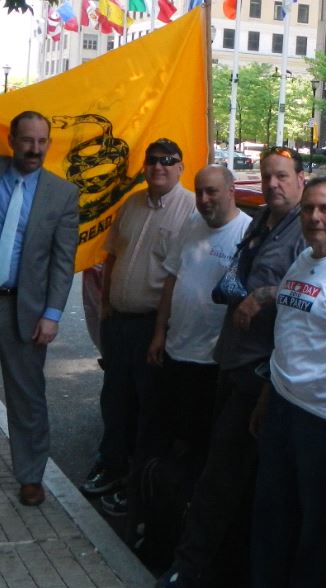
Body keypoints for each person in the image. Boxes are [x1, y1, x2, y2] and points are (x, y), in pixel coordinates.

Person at [155, 146, 306, 588]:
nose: (273, 185)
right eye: (266, 177)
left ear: (301, 178)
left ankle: (195, 567)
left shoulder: (306, 229)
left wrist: (262, 295)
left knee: (224, 476)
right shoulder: (263, 221)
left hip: (266, 374)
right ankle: (221, 567)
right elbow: (236, 276)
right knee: (224, 475)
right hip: (232, 361)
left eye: (282, 176)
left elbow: (312, 289)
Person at [237, 177, 326, 588]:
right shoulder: (302, 261)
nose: (315, 217)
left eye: (325, 209)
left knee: (318, 536)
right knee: (271, 520)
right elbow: (287, 338)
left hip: (324, 421)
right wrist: (265, 397)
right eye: (309, 208)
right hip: (281, 407)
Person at [82, 138, 195, 507]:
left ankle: (138, 481)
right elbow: (113, 255)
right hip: (119, 321)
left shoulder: (191, 210)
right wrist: (105, 306)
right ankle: (111, 464)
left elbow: (180, 277)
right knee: (115, 398)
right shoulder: (131, 203)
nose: (158, 166)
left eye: (167, 161)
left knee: (150, 408)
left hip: (153, 327)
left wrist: (161, 331)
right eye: (152, 161)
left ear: (180, 167)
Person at [145, 165, 252, 476]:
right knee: (169, 433)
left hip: (211, 362)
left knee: (199, 443)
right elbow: (171, 280)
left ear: (231, 192)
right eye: (200, 192)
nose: (204, 199)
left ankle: (187, 507)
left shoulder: (246, 234)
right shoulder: (192, 223)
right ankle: (163, 499)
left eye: (212, 192)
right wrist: (158, 333)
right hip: (175, 349)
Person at [0, 111, 79, 507]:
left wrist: (52, 314)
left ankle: (31, 476)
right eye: (28, 140)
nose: (34, 149)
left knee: (27, 398)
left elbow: (63, 262)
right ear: (12, 139)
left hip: (24, 311)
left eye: (42, 141)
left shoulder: (61, 194)